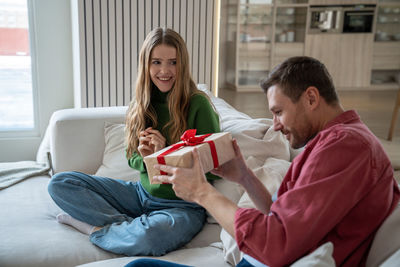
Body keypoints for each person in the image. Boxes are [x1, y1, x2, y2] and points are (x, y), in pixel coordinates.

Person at [125, 56, 400, 266]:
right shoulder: (334, 142)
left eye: (279, 112)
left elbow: (276, 244)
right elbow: (284, 220)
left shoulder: (345, 147)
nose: (275, 125)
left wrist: (202, 193)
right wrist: (244, 176)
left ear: (312, 98)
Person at [47, 27, 220, 256]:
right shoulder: (140, 104)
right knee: (60, 183)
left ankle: (97, 230)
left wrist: (164, 155)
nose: (164, 71)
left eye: (173, 62)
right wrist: (147, 158)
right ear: (146, 65)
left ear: (183, 64)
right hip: (141, 195)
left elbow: (212, 169)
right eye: (156, 62)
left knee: (153, 237)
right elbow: (133, 157)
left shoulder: (199, 105)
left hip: (183, 205)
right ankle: (127, 226)